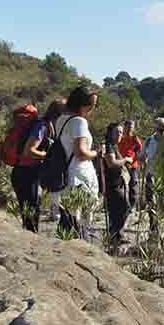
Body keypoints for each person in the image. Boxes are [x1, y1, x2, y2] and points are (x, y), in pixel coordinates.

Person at [11, 99, 65, 233]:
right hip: (26, 174)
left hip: (28, 173)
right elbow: (29, 151)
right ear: (58, 115)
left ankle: (29, 241)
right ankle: (30, 245)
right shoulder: (42, 126)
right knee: (30, 214)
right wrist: (48, 156)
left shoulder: (47, 126)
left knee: (31, 213)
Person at [55, 86, 100, 235]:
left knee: (67, 219)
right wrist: (96, 153)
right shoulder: (79, 122)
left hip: (64, 174)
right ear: (82, 104)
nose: (92, 109)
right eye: (91, 105)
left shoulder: (61, 119)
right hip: (78, 176)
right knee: (76, 223)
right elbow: (80, 152)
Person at [103, 122, 132, 248]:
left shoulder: (114, 146)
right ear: (110, 133)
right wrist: (125, 160)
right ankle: (114, 237)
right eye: (117, 132)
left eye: (121, 132)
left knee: (122, 209)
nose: (120, 134)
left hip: (118, 183)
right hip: (112, 185)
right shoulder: (109, 146)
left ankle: (117, 236)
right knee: (122, 208)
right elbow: (111, 163)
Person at [139, 117, 164, 232]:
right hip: (151, 176)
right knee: (151, 203)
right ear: (155, 129)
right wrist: (142, 159)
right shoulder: (148, 141)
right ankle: (153, 230)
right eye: (161, 130)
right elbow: (142, 156)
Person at [118, 119, 143, 209]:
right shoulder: (120, 138)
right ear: (124, 127)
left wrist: (135, 160)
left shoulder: (135, 139)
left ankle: (132, 206)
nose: (129, 129)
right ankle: (123, 205)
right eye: (127, 127)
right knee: (122, 186)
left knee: (133, 187)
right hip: (121, 165)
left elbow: (140, 151)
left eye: (131, 127)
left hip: (132, 166)